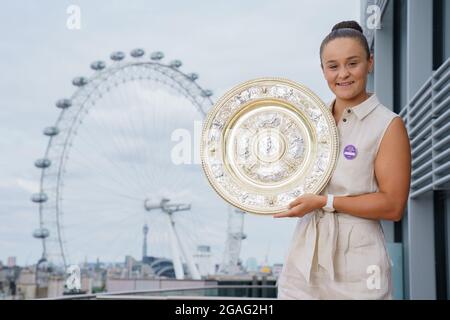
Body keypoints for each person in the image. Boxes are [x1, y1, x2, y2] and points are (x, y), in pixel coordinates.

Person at [274, 20, 411, 299]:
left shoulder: (388, 125)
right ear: (323, 70)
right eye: (333, 66)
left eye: (353, 63)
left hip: (359, 267)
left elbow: (393, 206)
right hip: (303, 258)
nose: (343, 74)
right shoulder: (309, 123)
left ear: (369, 63)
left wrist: (326, 202)